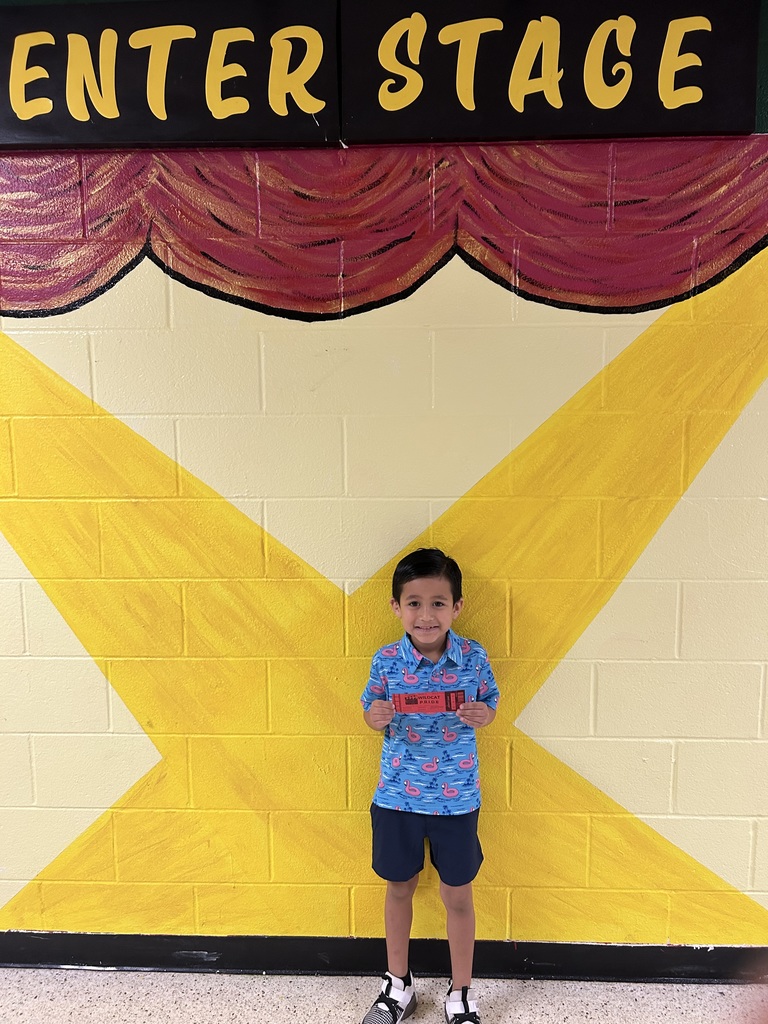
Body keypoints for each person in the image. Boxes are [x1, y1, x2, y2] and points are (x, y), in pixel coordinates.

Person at [359, 548, 500, 1024]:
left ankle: (461, 994)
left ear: (457, 607)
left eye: (438, 602)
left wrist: (485, 713)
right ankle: (397, 985)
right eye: (414, 602)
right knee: (399, 888)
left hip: (457, 800)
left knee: (458, 895)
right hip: (397, 796)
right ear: (397, 607)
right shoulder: (385, 661)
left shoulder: (474, 657)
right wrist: (374, 716)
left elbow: (491, 703)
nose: (426, 614)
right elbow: (371, 708)